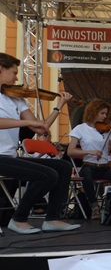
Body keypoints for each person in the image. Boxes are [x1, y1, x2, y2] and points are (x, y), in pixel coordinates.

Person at [0, 52, 80, 234]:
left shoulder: (15, 98)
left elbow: (40, 128)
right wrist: (25, 122)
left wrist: (59, 105)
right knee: (47, 175)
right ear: (1, 69)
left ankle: (52, 219)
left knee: (63, 166)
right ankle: (18, 219)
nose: (16, 78)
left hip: (9, 157)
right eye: (14, 72)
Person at [67, 99, 111, 220]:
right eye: (102, 113)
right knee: (86, 176)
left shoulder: (107, 129)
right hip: (89, 167)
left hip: (104, 168)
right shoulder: (80, 129)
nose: (105, 116)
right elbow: (70, 151)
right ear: (93, 112)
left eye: (106, 113)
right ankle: (95, 208)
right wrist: (90, 151)